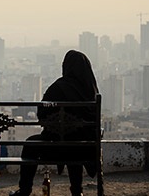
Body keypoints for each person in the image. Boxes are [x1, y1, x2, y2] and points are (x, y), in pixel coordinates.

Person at [10, 50, 99, 196]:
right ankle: (77, 191)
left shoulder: (58, 87)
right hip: (84, 149)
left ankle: (25, 190)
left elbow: (42, 114)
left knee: (30, 144)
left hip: (55, 146)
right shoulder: (91, 91)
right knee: (74, 145)